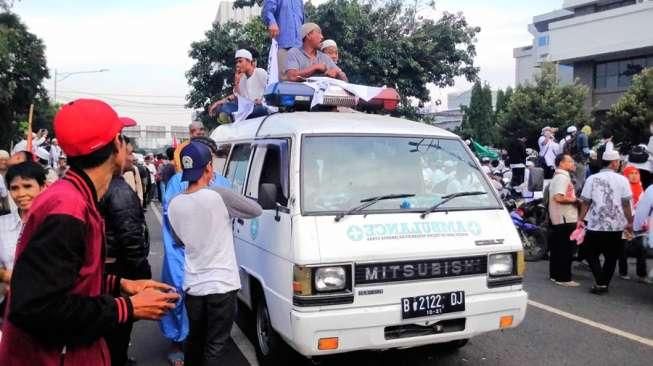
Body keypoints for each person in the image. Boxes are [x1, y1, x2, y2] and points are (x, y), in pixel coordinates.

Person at [0, 99, 180, 365]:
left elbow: (69, 277)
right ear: (117, 145)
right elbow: (37, 307)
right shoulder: (67, 208)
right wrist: (127, 307)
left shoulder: (76, 197)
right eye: (123, 139)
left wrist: (119, 284)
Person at [168, 141, 262, 364]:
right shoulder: (219, 194)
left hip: (193, 286)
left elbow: (178, 240)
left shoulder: (174, 203)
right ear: (209, 168)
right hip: (221, 285)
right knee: (216, 345)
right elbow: (255, 210)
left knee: (195, 340)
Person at [159, 136, 231, 366]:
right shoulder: (178, 183)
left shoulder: (223, 184)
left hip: (214, 262)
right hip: (184, 255)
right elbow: (171, 226)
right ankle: (177, 341)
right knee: (178, 298)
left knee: (210, 323)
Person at [100, 136, 153, 366]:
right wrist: (143, 277)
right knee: (119, 326)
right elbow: (132, 239)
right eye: (128, 152)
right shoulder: (119, 190)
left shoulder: (109, 186)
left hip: (107, 270)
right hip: (118, 270)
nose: (130, 157)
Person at [578, 150, 633, 295]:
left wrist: (580, 218)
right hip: (616, 225)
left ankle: (600, 282)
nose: (619, 164)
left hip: (595, 224)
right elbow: (626, 203)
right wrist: (630, 221)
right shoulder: (623, 180)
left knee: (590, 253)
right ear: (614, 162)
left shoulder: (592, 179)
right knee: (611, 256)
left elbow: (585, 202)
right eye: (619, 161)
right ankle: (603, 283)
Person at [0, 162, 47, 319]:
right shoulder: (2, 225)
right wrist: (5, 275)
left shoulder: (56, 224)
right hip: (9, 307)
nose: (21, 194)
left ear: (42, 187)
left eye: (27, 186)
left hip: (47, 307)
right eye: (14, 188)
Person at [208, 49, 269, 123]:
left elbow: (269, 88)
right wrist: (236, 82)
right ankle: (233, 116)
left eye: (240, 61)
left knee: (258, 108)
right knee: (223, 107)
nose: (237, 65)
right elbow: (238, 97)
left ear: (249, 61)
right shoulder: (242, 79)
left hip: (261, 107)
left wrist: (262, 100)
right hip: (248, 109)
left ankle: (233, 117)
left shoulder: (259, 72)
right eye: (236, 62)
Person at [548, 154, 580, 286]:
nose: (573, 164)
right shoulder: (562, 178)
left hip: (560, 218)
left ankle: (555, 275)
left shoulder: (559, 176)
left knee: (558, 248)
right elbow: (558, 198)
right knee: (565, 250)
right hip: (565, 217)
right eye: (570, 161)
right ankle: (564, 278)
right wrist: (575, 200)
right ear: (561, 163)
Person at [618, 165, 649, 282]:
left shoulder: (641, 188)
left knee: (642, 249)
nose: (634, 176)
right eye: (631, 173)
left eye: (636, 173)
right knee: (624, 248)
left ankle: (642, 275)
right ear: (626, 175)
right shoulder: (623, 189)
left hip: (640, 224)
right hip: (626, 223)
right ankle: (623, 271)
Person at [262, 0, 304, 79]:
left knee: (302, 80)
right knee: (285, 81)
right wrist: (272, 22)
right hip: (283, 46)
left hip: (300, 49)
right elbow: (267, 11)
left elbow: (303, 21)